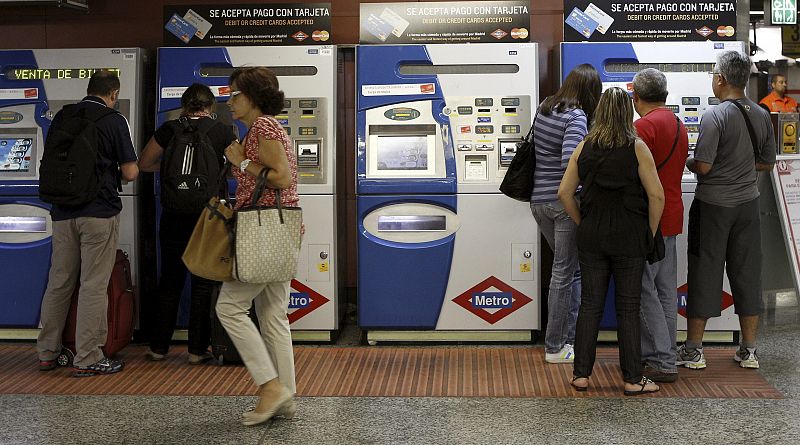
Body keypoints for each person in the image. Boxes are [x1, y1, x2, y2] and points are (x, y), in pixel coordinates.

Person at [558, 87, 665, 395]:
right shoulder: (637, 147)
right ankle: (632, 379)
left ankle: (581, 375)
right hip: (630, 236)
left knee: (590, 305)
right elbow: (657, 195)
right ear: (627, 111)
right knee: (628, 308)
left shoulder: (585, 146)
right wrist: (650, 231)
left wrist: (583, 222)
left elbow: (564, 193)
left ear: (601, 111)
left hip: (592, 236)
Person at [36, 71, 139, 377]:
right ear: (114, 94)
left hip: (62, 212)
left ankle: (47, 353)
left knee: (59, 282)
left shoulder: (63, 115)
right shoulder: (113, 120)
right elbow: (131, 171)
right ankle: (88, 357)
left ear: (88, 90)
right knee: (93, 285)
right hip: (98, 213)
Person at [679, 51, 776, 370]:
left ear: (720, 78)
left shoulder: (714, 115)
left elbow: (704, 166)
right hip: (748, 204)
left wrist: (689, 161)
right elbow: (767, 161)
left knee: (705, 271)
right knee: (748, 272)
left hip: (713, 206)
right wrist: (742, 169)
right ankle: (749, 351)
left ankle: (694, 350)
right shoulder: (761, 113)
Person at [215, 67, 298, 425]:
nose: (230, 100)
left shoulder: (263, 127)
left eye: (235, 94)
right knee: (273, 314)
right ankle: (287, 396)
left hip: (262, 229)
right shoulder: (265, 128)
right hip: (279, 227)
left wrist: (240, 161)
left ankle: (270, 386)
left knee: (230, 307)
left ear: (252, 96)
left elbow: (281, 177)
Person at [138, 84, 236, 364]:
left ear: (184, 106)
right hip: (208, 216)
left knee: (170, 281)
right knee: (203, 282)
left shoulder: (169, 129)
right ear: (211, 106)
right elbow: (237, 168)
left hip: (173, 215)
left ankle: (158, 348)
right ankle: (196, 351)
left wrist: (170, 170)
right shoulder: (222, 132)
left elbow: (144, 164)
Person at [530, 63, 601, 364]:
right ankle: (556, 345)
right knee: (564, 272)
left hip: (539, 203)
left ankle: (568, 339)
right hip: (562, 204)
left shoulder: (546, 107)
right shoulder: (576, 117)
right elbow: (570, 164)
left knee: (569, 271)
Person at [631, 69, 689, 383]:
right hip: (673, 214)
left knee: (644, 290)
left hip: (648, 218)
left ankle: (658, 358)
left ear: (635, 97)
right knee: (666, 291)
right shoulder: (679, 124)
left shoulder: (642, 127)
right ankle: (666, 352)